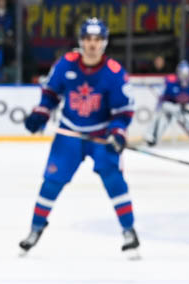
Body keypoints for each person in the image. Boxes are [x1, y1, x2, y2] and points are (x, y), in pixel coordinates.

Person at [19, 18, 139, 259]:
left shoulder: (114, 73)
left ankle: (129, 230)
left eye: (97, 40)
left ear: (104, 42)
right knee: (52, 181)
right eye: (88, 39)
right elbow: (50, 95)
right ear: (81, 41)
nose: (92, 44)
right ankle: (36, 228)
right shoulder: (66, 64)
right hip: (70, 133)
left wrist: (117, 133)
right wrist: (40, 115)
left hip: (101, 135)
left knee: (114, 179)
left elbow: (123, 112)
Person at [146, 60, 189, 147]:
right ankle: (151, 137)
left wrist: (185, 103)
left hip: (187, 107)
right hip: (172, 107)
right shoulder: (170, 80)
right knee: (161, 114)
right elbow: (165, 98)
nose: (183, 77)